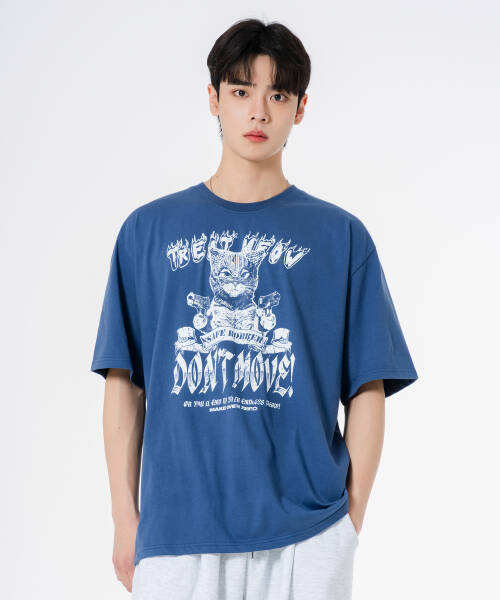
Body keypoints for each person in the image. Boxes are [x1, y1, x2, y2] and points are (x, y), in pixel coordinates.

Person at [90, 18, 418, 600]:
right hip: (177, 533)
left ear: (301, 108)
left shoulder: (341, 237)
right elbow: (124, 380)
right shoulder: (147, 232)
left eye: (279, 95)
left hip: (306, 533)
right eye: (241, 91)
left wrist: (349, 521)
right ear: (213, 99)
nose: (259, 112)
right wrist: (124, 518)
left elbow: (368, 384)